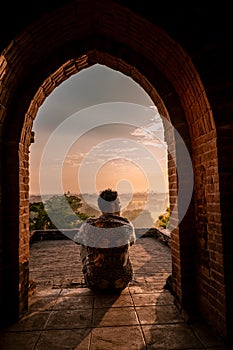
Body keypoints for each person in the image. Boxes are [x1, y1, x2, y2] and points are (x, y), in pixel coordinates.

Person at [74, 188, 136, 293]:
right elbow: (132, 241)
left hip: (95, 283)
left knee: (83, 245)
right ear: (114, 206)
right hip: (121, 283)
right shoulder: (126, 224)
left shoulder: (89, 225)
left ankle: (94, 271)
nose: (120, 206)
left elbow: (77, 240)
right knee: (125, 246)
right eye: (119, 204)